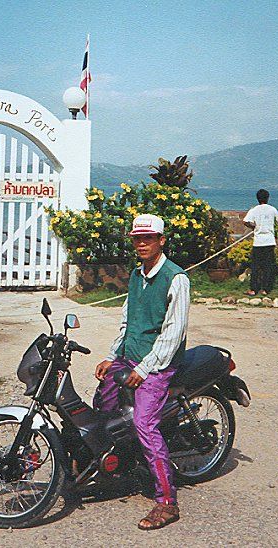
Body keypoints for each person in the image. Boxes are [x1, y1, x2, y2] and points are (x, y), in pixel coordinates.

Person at [93, 213, 190, 530]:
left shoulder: (176, 278)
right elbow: (128, 321)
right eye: (137, 238)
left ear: (162, 240)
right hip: (128, 357)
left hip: (157, 365)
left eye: (148, 237)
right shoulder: (136, 276)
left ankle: (166, 501)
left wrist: (146, 368)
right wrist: (111, 357)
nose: (142, 242)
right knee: (103, 405)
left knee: (144, 423)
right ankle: (116, 464)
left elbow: (172, 334)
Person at [243, 189, 278, 296]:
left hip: (258, 242)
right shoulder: (272, 209)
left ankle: (253, 289)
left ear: (258, 198)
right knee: (268, 266)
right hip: (269, 241)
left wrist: (253, 227)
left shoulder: (254, 210)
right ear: (267, 198)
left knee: (255, 267)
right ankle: (265, 289)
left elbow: (245, 221)